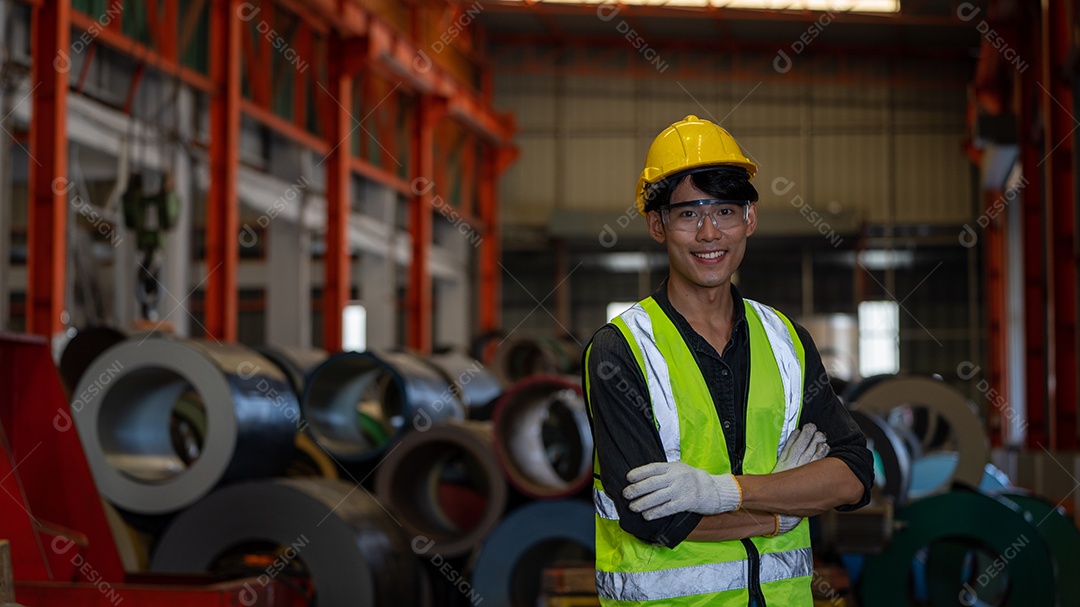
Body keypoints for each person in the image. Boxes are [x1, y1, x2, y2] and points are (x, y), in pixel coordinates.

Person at [582, 115, 873, 606]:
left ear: (750, 219)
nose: (709, 233)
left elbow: (854, 474)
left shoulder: (787, 341)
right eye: (688, 214)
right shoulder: (621, 350)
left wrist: (725, 492)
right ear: (658, 225)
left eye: (724, 211)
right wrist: (786, 506)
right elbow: (655, 517)